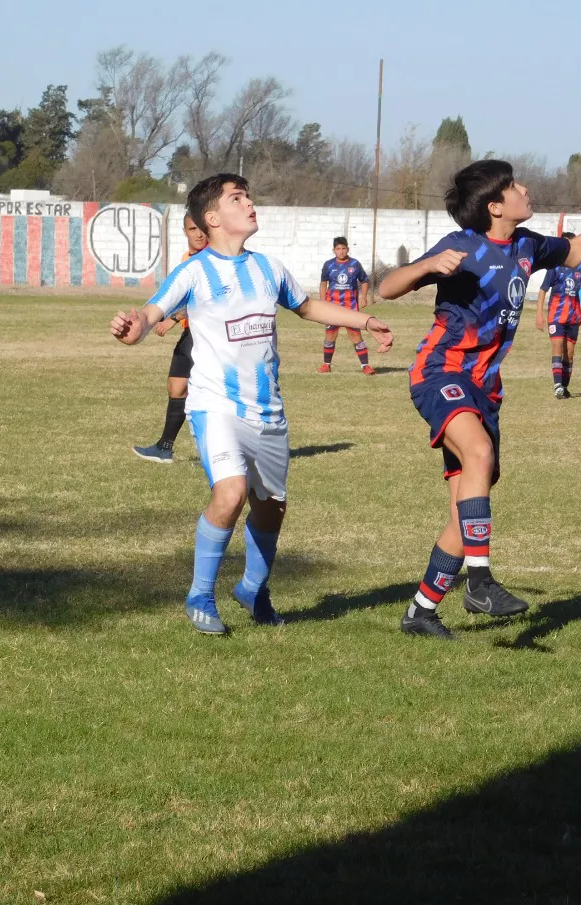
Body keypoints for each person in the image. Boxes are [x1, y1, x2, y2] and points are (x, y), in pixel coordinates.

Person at [378, 159, 581, 638]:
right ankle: (480, 583)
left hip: (485, 388)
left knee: (465, 505)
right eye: (513, 186)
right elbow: (385, 287)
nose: (525, 189)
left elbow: (578, 250)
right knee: (479, 453)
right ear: (495, 206)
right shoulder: (463, 245)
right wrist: (426, 266)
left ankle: (420, 612)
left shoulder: (527, 245)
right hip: (440, 371)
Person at [110, 174, 394, 635]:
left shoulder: (269, 269)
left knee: (271, 510)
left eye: (249, 196)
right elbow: (150, 313)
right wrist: (133, 327)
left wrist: (365, 320)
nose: (250, 204)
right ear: (213, 217)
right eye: (237, 198)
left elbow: (307, 308)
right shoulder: (194, 271)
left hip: (270, 414)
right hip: (216, 405)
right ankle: (201, 594)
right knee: (231, 493)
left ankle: (253, 588)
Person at [132, 213, 208, 463]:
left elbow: (208, 300)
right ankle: (165, 447)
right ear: (185, 231)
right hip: (191, 334)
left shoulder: (214, 260)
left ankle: (218, 453)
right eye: (192, 228)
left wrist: (173, 319)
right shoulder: (187, 260)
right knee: (176, 387)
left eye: (202, 229)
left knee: (211, 393)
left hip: (209, 335)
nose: (198, 234)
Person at [534, 235, 581, 399]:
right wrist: (539, 314)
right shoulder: (554, 267)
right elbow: (543, 290)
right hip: (556, 315)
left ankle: (564, 386)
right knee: (557, 347)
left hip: (574, 316)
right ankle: (557, 386)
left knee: (569, 353)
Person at [319, 236, 375, 375]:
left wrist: (363, 297)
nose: (341, 251)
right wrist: (322, 302)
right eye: (338, 249)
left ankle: (366, 366)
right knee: (330, 336)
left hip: (350, 307)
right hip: (333, 307)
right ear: (334, 250)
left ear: (348, 249)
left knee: (356, 336)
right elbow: (323, 283)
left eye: (343, 248)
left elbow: (364, 281)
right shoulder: (328, 265)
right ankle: (326, 365)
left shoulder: (355, 264)